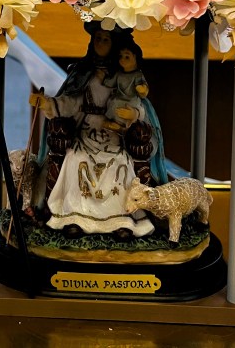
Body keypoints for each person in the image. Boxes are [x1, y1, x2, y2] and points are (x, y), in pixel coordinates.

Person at [30, 25, 155, 239]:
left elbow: (139, 105)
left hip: (114, 137)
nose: (100, 43)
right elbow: (70, 102)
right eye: (98, 38)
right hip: (86, 134)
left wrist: (131, 114)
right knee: (75, 159)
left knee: (120, 164)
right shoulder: (83, 75)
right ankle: (75, 217)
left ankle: (122, 220)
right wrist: (47, 103)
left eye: (106, 39)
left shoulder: (125, 75)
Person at [104, 37, 168, 187]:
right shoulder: (119, 75)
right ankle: (117, 126)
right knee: (113, 106)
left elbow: (143, 91)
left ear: (136, 59)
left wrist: (142, 90)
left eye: (127, 57)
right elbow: (109, 83)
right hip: (118, 100)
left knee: (131, 116)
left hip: (132, 101)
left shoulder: (137, 75)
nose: (123, 60)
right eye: (120, 57)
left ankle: (124, 128)